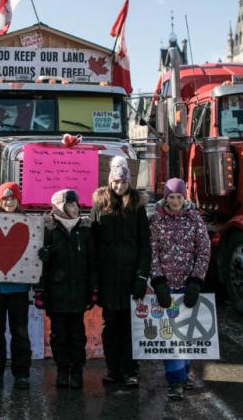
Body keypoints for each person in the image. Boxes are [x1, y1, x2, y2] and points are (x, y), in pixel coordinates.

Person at [90, 156, 151, 388]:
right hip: (107, 279)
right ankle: (113, 368)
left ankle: (130, 370)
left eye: (124, 182)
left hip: (130, 278)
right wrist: (95, 279)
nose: (119, 186)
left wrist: (141, 276)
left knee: (129, 327)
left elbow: (145, 244)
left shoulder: (137, 206)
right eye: (116, 181)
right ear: (109, 181)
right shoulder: (100, 205)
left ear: (129, 182)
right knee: (110, 325)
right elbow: (93, 244)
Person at [150, 178, 211, 401]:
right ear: (166, 198)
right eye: (171, 197)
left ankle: (183, 374)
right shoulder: (157, 221)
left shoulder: (195, 220)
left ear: (185, 198)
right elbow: (153, 252)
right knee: (171, 336)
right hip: (167, 286)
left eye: (179, 197)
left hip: (188, 286)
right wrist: (157, 281)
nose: (175, 202)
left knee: (185, 335)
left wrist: (196, 280)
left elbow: (203, 251)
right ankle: (175, 381)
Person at [36, 189, 97, 390]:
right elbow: (39, 265)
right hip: (56, 293)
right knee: (58, 334)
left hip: (78, 292)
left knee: (78, 334)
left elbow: (92, 261)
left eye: (76, 204)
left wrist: (93, 289)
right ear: (59, 207)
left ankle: (77, 370)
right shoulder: (48, 228)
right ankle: (62, 370)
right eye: (69, 204)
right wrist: (40, 290)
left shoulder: (85, 229)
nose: (74, 208)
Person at [0, 182, 32, 390]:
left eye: (12, 199)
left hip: (19, 288)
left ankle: (22, 374)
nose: (9, 202)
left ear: (18, 200)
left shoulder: (29, 223)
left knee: (20, 332)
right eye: (5, 199)